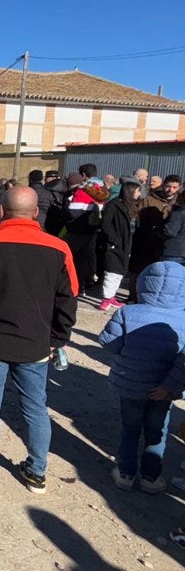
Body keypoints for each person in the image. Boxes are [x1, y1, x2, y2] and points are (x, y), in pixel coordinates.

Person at [0, 187, 78, 495]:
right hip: (36, 342)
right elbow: (69, 297)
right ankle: (36, 472)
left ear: (3, 212)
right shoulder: (59, 248)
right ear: (36, 213)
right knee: (35, 406)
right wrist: (58, 337)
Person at [100, 261, 185, 494]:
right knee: (157, 431)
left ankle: (125, 473)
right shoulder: (183, 320)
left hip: (131, 383)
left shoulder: (127, 312)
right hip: (163, 391)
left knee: (130, 428)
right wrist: (169, 387)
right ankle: (150, 477)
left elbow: (108, 343)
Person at [99, 176, 142, 311]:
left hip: (127, 244)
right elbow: (105, 225)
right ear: (131, 192)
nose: (139, 194)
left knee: (119, 273)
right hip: (116, 244)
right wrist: (114, 240)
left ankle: (111, 296)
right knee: (112, 272)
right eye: (137, 191)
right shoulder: (114, 205)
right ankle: (106, 298)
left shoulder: (132, 206)